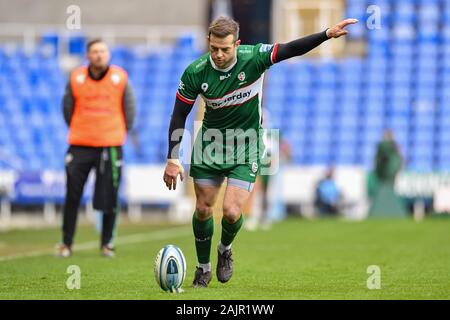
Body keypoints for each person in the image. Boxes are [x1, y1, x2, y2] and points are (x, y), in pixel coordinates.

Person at [163, 16, 357, 288]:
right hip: (211, 143)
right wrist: (172, 158)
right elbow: (179, 115)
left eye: (225, 49)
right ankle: (203, 268)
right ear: (208, 43)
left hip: (247, 143)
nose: (219, 55)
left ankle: (225, 250)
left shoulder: (254, 57)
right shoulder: (195, 72)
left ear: (237, 45)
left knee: (231, 211)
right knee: (204, 208)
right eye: (214, 48)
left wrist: (325, 34)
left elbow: (290, 49)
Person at [56, 39, 136, 258]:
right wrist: (82, 129)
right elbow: (67, 109)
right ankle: (66, 243)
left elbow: (129, 110)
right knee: (72, 195)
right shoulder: (76, 78)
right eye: (94, 51)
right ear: (88, 55)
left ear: (108, 55)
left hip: (109, 145)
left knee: (109, 196)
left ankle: (107, 243)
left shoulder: (120, 78)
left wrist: (116, 132)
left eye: (102, 51)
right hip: (80, 145)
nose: (99, 55)